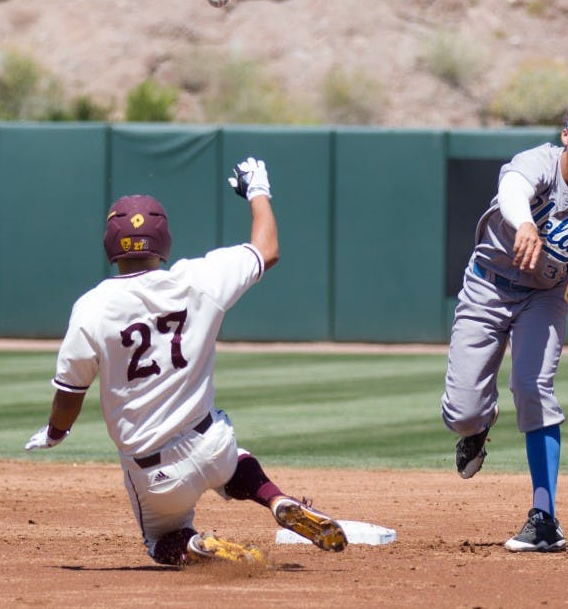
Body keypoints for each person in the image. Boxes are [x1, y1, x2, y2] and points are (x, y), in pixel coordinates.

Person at [24, 157, 348, 565]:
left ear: (109, 243)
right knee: (234, 461)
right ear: (164, 240)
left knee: (162, 541)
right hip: (212, 443)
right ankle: (276, 499)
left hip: (155, 473)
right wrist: (258, 190)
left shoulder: (91, 308)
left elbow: (71, 393)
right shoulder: (199, 279)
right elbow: (268, 249)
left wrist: (55, 432)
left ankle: (195, 546)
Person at [441, 100, 568, 552]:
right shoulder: (537, 161)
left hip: (545, 296)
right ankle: (479, 426)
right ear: (566, 135)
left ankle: (545, 518)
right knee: (460, 414)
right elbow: (513, 190)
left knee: (533, 386)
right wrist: (525, 224)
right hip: (488, 284)